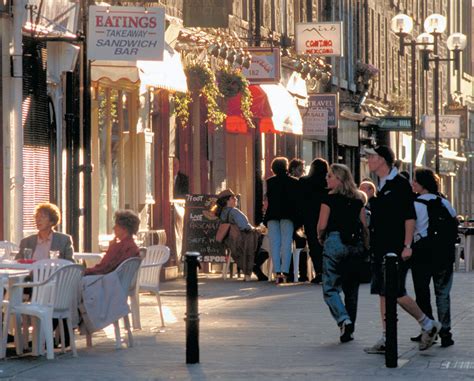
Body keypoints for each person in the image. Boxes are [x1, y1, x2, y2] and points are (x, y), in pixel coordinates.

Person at [364, 145, 441, 353]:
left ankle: (428, 324)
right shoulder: (382, 184)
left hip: (395, 249)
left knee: (395, 292)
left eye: (371, 157)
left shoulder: (399, 185)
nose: (368, 160)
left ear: (382, 160)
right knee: (383, 292)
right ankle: (386, 336)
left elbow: (409, 217)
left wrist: (407, 245)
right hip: (381, 248)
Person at [317, 164, 369, 343]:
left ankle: (343, 319)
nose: (327, 178)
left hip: (334, 242)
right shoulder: (358, 200)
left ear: (339, 179)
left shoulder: (328, 199)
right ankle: (349, 329)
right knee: (351, 289)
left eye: (330, 176)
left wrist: (321, 238)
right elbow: (363, 225)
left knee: (329, 287)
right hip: (354, 245)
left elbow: (322, 225)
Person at [410, 167, 456, 347]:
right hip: (443, 254)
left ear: (422, 184)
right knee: (443, 293)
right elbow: (454, 223)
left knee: (422, 293)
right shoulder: (444, 203)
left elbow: (411, 229)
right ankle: (446, 331)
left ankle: (428, 329)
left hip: (421, 254)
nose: (412, 183)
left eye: (415, 180)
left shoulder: (415, 204)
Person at [264, 157, 300, 284]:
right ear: (286, 167)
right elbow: (296, 202)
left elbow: (267, 200)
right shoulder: (294, 182)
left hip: (272, 214)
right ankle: (285, 271)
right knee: (286, 242)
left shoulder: (269, 182)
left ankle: (277, 271)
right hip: (288, 215)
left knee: (274, 243)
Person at [212, 189, 261, 281]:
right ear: (230, 199)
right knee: (263, 245)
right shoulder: (234, 212)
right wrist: (257, 229)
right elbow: (245, 227)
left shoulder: (222, 213)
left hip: (231, 242)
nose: (236, 199)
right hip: (242, 241)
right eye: (234, 198)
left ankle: (256, 269)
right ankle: (254, 267)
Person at [299, 158, 329, 284]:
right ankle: (328, 271)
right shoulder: (327, 182)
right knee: (326, 245)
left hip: (309, 217)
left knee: (313, 244)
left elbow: (299, 200)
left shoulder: (304, 181)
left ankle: (319, 272)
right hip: (326, 216)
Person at [85, 210, 140, 276]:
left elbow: (103, 268)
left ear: (124, 228)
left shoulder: (119, 247)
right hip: (123, 282)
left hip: (108, 282)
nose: (113, 228)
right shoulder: (133, 247)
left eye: (116, 225)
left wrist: (84, 272)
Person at [288, 158, 307, 282]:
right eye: (300, 170)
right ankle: (298, 273)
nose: (302, 172)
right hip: (294, 218)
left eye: (303, 170)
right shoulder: (293, 183)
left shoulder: (302, 182)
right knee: (294, 246)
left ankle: (301, 273)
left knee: (300, 245)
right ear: (293, 170)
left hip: (297, 218)